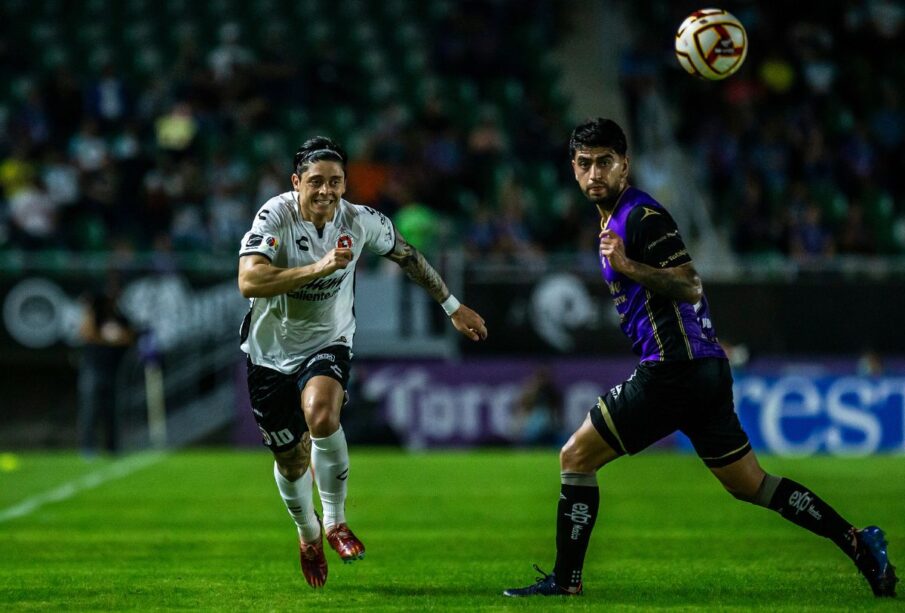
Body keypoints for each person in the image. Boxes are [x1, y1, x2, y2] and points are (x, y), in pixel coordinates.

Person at [503, 118, 897, 598]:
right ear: (572, 168)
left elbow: (690, 284)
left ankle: (566, 583)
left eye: (604, 162)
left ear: (624, 165)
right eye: (584, 164)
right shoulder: (610, 221)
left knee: (575, 457)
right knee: (751, 485)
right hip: (703, 371)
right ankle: (859, 543)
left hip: (674, 369)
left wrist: (628, 266)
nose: (593, 174)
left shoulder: (642, 217)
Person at [237, 136, 487, 589]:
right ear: (297, 183)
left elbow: (407, 255)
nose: (327, 191)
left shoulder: (360, 220)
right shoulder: (275, 215)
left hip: (328, 341)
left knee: (322, 413)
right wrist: (321, 267)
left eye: (335, 181)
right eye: (316, 182)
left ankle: (335, 522)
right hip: (269, 353)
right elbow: (249, 280)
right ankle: (308, 533)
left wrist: (452, 306)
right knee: (291, 461)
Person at [77, 272, 135, 457]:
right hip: (93, 369)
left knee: (113, 412)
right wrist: (89, 310)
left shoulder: (122, 317)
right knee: (90, 410)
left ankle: (112, 447)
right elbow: (86, 334)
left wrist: (104, 339)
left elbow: (129, 338)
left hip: (114, 371)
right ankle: (88, 448)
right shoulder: (96, 315)